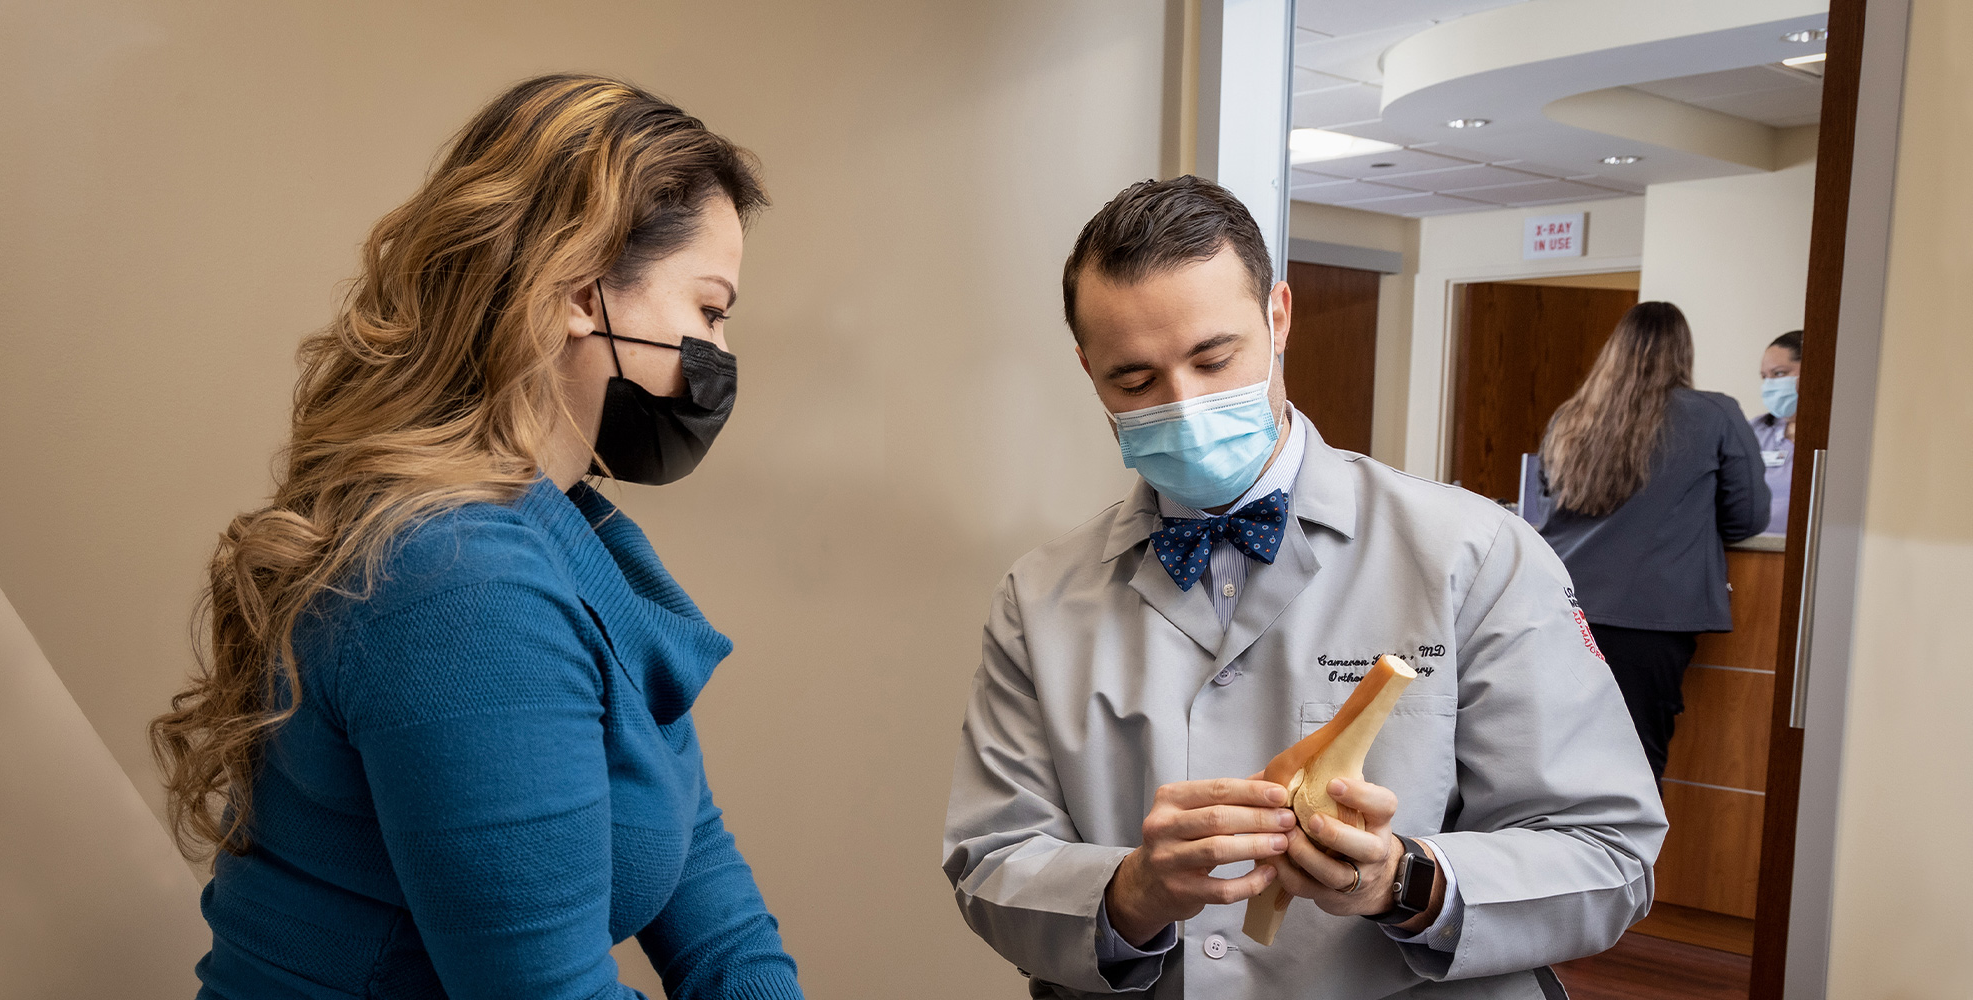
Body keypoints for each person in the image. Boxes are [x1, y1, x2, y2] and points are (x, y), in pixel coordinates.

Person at [149, 75, 804, 1000]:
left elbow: (710, 894)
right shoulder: (457, 580)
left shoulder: (572, 538)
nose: (720, 358)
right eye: (709, 311)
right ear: (583, 292)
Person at [942, 176, 1665, 1000]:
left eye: (1215, 358)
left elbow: (1609, 853)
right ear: (1087, 370)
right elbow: (992, 861)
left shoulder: (1476, 553)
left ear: (1278, 317)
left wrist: (1406, 881)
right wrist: (1132, 893)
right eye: (1135, 383)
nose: (1186, 405)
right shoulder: (1038, 600)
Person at [1537, 302, 1770, 783]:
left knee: (1553, 757)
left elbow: (1547, 495)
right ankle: (1624, 862)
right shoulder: (1715, 413)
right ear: (1683, 353)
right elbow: (1748, 517)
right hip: (1650, 618)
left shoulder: (1572, 416)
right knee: (1634, 765)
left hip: (1559, 604)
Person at [1753, 329, 1803, 534]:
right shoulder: (1755, 432)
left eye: (1779, 373)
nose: (1770, 384)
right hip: (1756, 556)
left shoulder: (1839, 437)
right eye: (1765, 377)